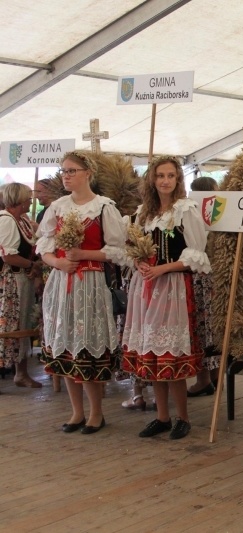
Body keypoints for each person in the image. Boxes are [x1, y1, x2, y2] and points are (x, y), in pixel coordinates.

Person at [122, 156, 210, 440]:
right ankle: (161, 416)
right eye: (160, 175)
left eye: (171, 176)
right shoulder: (142, 214)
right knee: (152, 353)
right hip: (146, 286)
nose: (165, 181)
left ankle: (182, 417)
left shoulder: (185, 210)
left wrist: (163, 267)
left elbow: (196, 255)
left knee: (171, 353)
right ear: (152, 179)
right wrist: (139, 263)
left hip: (171, 285)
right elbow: (132, 249)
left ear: (178, 180)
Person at [38, 152, 127, 433]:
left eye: (72, 170)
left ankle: (96, 413)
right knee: (65, 345)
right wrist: (58, 262)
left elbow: (117, 251)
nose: (65, 175)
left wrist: (82, 253)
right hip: (62, 283)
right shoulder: (57, 207)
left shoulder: (103, 208)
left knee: (87, 345)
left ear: (88, 172)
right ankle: (76, 412)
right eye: (63, 170)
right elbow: (44, 247)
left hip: (90, 282)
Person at [0, 183, 43, 388]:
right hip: (9, 281)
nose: (31, 200)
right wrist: (32, 265)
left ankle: (21, 373)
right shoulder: (6, 221)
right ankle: (16, 372)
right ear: (18, 199)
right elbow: (8, 256)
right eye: (28, 197)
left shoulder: (23, 220)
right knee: (8, 325)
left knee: (22, 323)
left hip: (21, 279)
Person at [186, 176, 219, 397]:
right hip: (211, 277)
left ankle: (206, 380)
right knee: (210, 328)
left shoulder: (194, 211)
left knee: (202, 328)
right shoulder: (217, 211)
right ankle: (213, 379)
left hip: (199, 277)